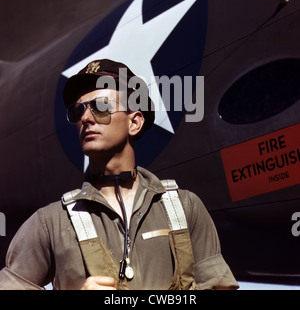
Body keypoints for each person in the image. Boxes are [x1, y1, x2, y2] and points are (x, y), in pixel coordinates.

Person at [0, 59, 238, 290]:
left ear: (134, 122)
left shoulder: (186, 208)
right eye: (78, 110)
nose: (85, 118)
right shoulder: (49, 224)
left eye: (101, 106)